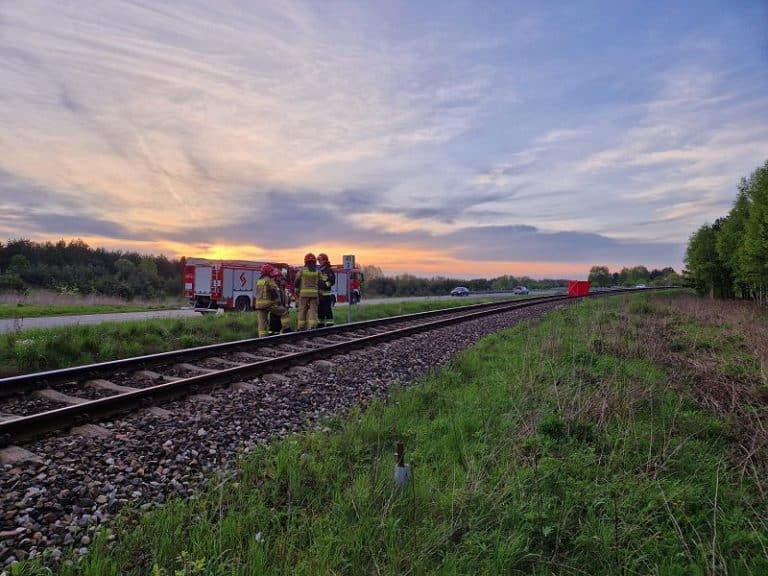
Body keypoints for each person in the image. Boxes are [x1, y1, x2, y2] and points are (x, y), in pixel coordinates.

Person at [254, 264, 290, 337]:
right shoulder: (269, 280)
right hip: (268, 304)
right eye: (271, 271)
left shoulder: (259, 281)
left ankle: (262, 338)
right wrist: (277, 302)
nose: (272, 273)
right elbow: (274, 291)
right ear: (268, 272)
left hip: (259, 305)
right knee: (284, 312)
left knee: (262, 323)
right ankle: (286, 329)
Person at [294, 253, 320, 330]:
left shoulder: (302, 271)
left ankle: (301, 327)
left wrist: (296, 289)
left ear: (305, 261)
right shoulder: (317, 271)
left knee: (302, 310)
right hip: (314, 294)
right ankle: (312, 326)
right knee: (313, 311)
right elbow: (321, 282)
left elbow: (296, 281)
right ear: (314, 261)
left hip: (304, 294)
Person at [268, 267, 291, 334]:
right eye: (279, 277)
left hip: (278, 306)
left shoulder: (279, 285)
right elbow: (275, 296)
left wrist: (286, 304)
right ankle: (286, 329)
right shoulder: (274, 285)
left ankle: (277, 334)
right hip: (275, 306)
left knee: (277, 326)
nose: (281, 279)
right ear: (275, 277)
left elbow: (283, 296)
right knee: (282, 314)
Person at [317, 253, 336, 328]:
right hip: (319, 294)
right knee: (320, 310)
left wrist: (324, 285)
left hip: (326, 294)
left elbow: (332, 281)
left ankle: (329, 324)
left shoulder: (328, 270)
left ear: (324, 260)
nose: (319, 261)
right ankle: (320, 325)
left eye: (320, 260)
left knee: (327, 310)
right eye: (318, 260)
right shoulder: (320, 270)